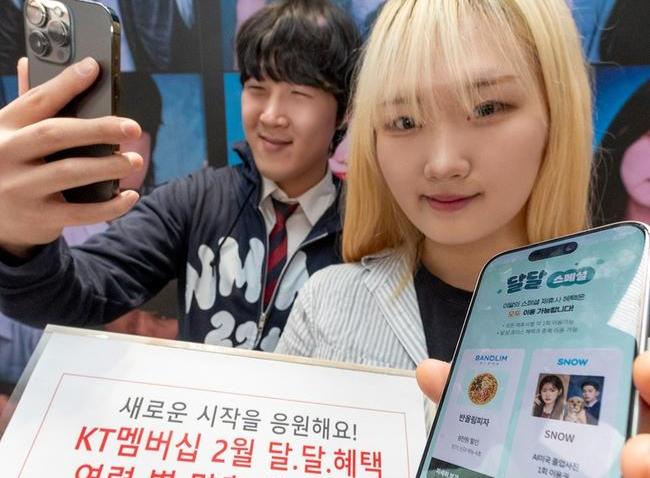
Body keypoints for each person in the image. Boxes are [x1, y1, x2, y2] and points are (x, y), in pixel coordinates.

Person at [275, 0, 650, 474]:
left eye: (487, 108)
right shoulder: (327, 304)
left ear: (556, 112)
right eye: (404, 121)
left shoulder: (634, 321)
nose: (443, 163)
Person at [0, 0, 360, 352]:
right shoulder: (195, 200)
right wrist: (19, 242)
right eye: (257, 89)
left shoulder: (370, 223)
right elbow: (77, 292)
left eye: (298, 93)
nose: (270, 116)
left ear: (344, 110)